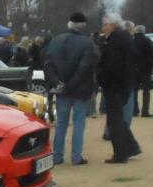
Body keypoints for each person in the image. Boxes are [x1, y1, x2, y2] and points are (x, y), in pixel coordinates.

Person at [43, 12, 97, 166]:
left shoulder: (55, 41)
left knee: (61, 123)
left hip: (61, 88)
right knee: (79, 123)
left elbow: (48, 65)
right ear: (83, 26)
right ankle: (76, 156)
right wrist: (71, 84)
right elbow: (84, 68)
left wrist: (58, 83)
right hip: (80, 89)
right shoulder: (87, 43)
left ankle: (57, 156)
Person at [97, 12, 141, 163]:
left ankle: (121, 154)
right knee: (117, 120)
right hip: (122, 84)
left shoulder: (116, 40)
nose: (103, 28)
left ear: (113, 24)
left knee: (114, 121)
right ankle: (131, 147)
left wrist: (102, 77)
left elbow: (112, 65)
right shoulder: (123, 37)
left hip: (115, 85)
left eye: (105, 25)